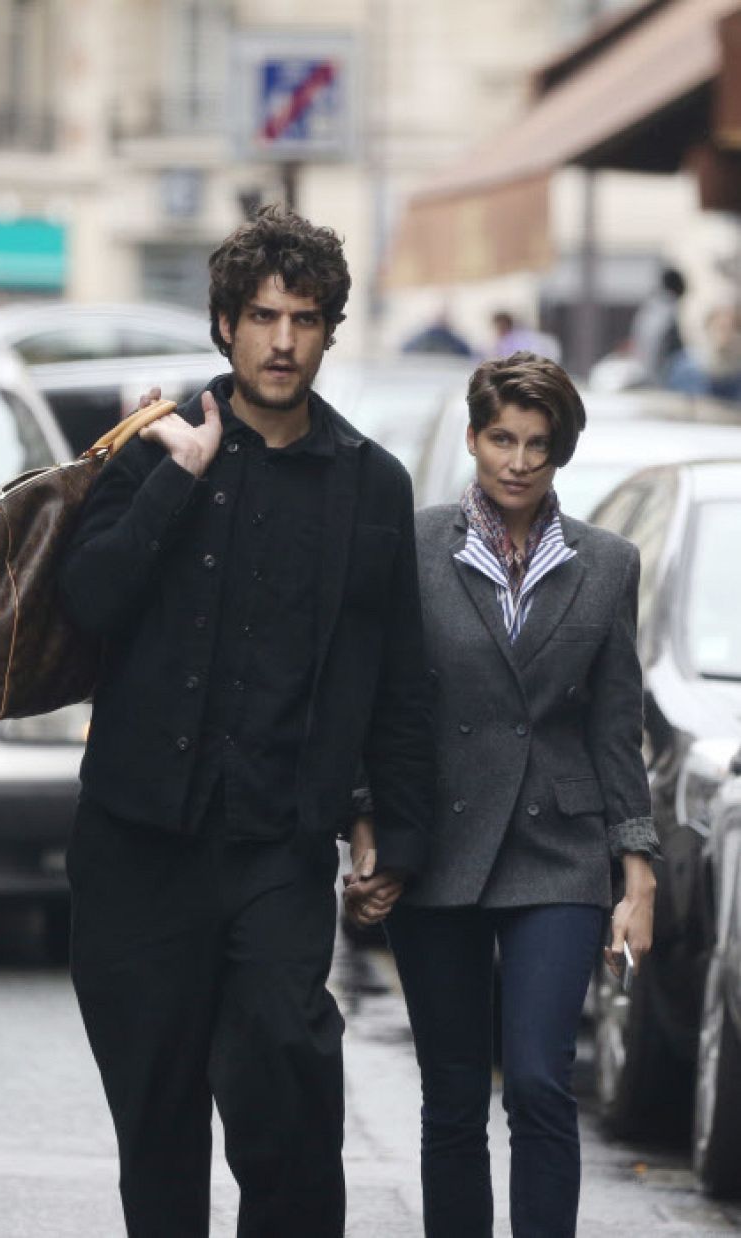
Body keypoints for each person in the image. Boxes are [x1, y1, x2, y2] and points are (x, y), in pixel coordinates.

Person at [57, 205, 434, 1238]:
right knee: (158, 1118)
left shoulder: (369, 486)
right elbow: (88, 604)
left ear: (328, 330)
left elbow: (398, 672)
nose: (281, 340)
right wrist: (177, 478)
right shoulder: (155, 452)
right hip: (137, 839)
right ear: (225, 323)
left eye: (304, 319)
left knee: (287, 1076)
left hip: (275, 842)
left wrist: (388, 829)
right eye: (262, 316)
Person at [345, 352, 659, 1238]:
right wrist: (367, 825)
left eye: (539, 445)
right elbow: (374, 699)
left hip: (559, 852)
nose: (519, 461)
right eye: (502, 439)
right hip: (436, 845)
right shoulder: (411, 546)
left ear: (561, 452)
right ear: (476, 439)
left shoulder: (608, 564)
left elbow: (615, 724)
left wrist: (637, 874)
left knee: (537, 1080)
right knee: (451, 1096)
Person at [629, 265, 686, 385]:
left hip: (646, 370)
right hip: (660, 374)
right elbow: (658, 347)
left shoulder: (650, 308)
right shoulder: (667, 309)